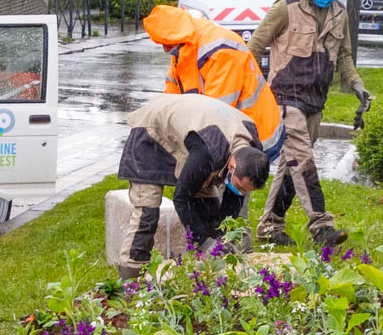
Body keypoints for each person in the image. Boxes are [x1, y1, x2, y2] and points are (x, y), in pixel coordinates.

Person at [246, 0, 369, 254]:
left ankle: (270, 226)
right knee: (303, 161)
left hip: (316, 99)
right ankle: (321, 226)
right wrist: (251, 88)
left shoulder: (340, 14)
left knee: (291, 167)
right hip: (285, 97)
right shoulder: (285, 8)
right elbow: (254, 47)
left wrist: (357, 85)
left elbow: (343, 56)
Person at [116, 91, 272, 277]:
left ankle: (207, 277)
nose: (240, 192)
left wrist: (224, 238)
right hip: (151, 131)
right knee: (147, 214)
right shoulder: (207, 153)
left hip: (191, 135)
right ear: (232, 165)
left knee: (210, 216)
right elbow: (181, 198)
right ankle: (129, 279)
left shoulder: (252, 152)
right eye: (239, 185)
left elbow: (233, 196)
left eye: (245, 190)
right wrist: (206, 243)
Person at [142, 0, 283, 155]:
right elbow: (172, 95)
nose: (165, 49)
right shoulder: (183, 47)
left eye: (167, 43)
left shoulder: (220, 49)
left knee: (237, 177)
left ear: (177, 36)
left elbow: (218, 110)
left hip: (254, 132)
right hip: (230, 130)